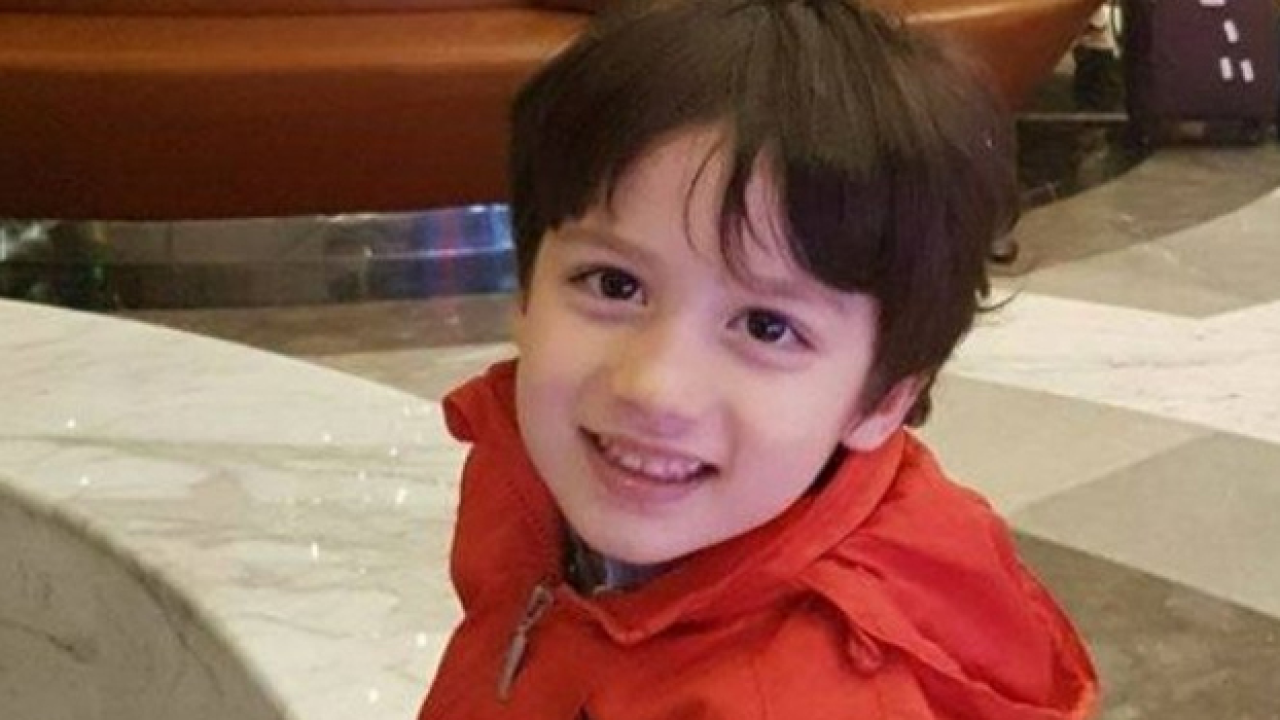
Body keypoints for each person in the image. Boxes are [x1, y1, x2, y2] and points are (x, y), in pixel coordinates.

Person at [418, 1, 1099, 718]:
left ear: (884, 400)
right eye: (614, 284)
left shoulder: (815, 698)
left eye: (767, 327)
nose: (654, 386)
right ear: (526, 290)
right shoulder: (530, 490)